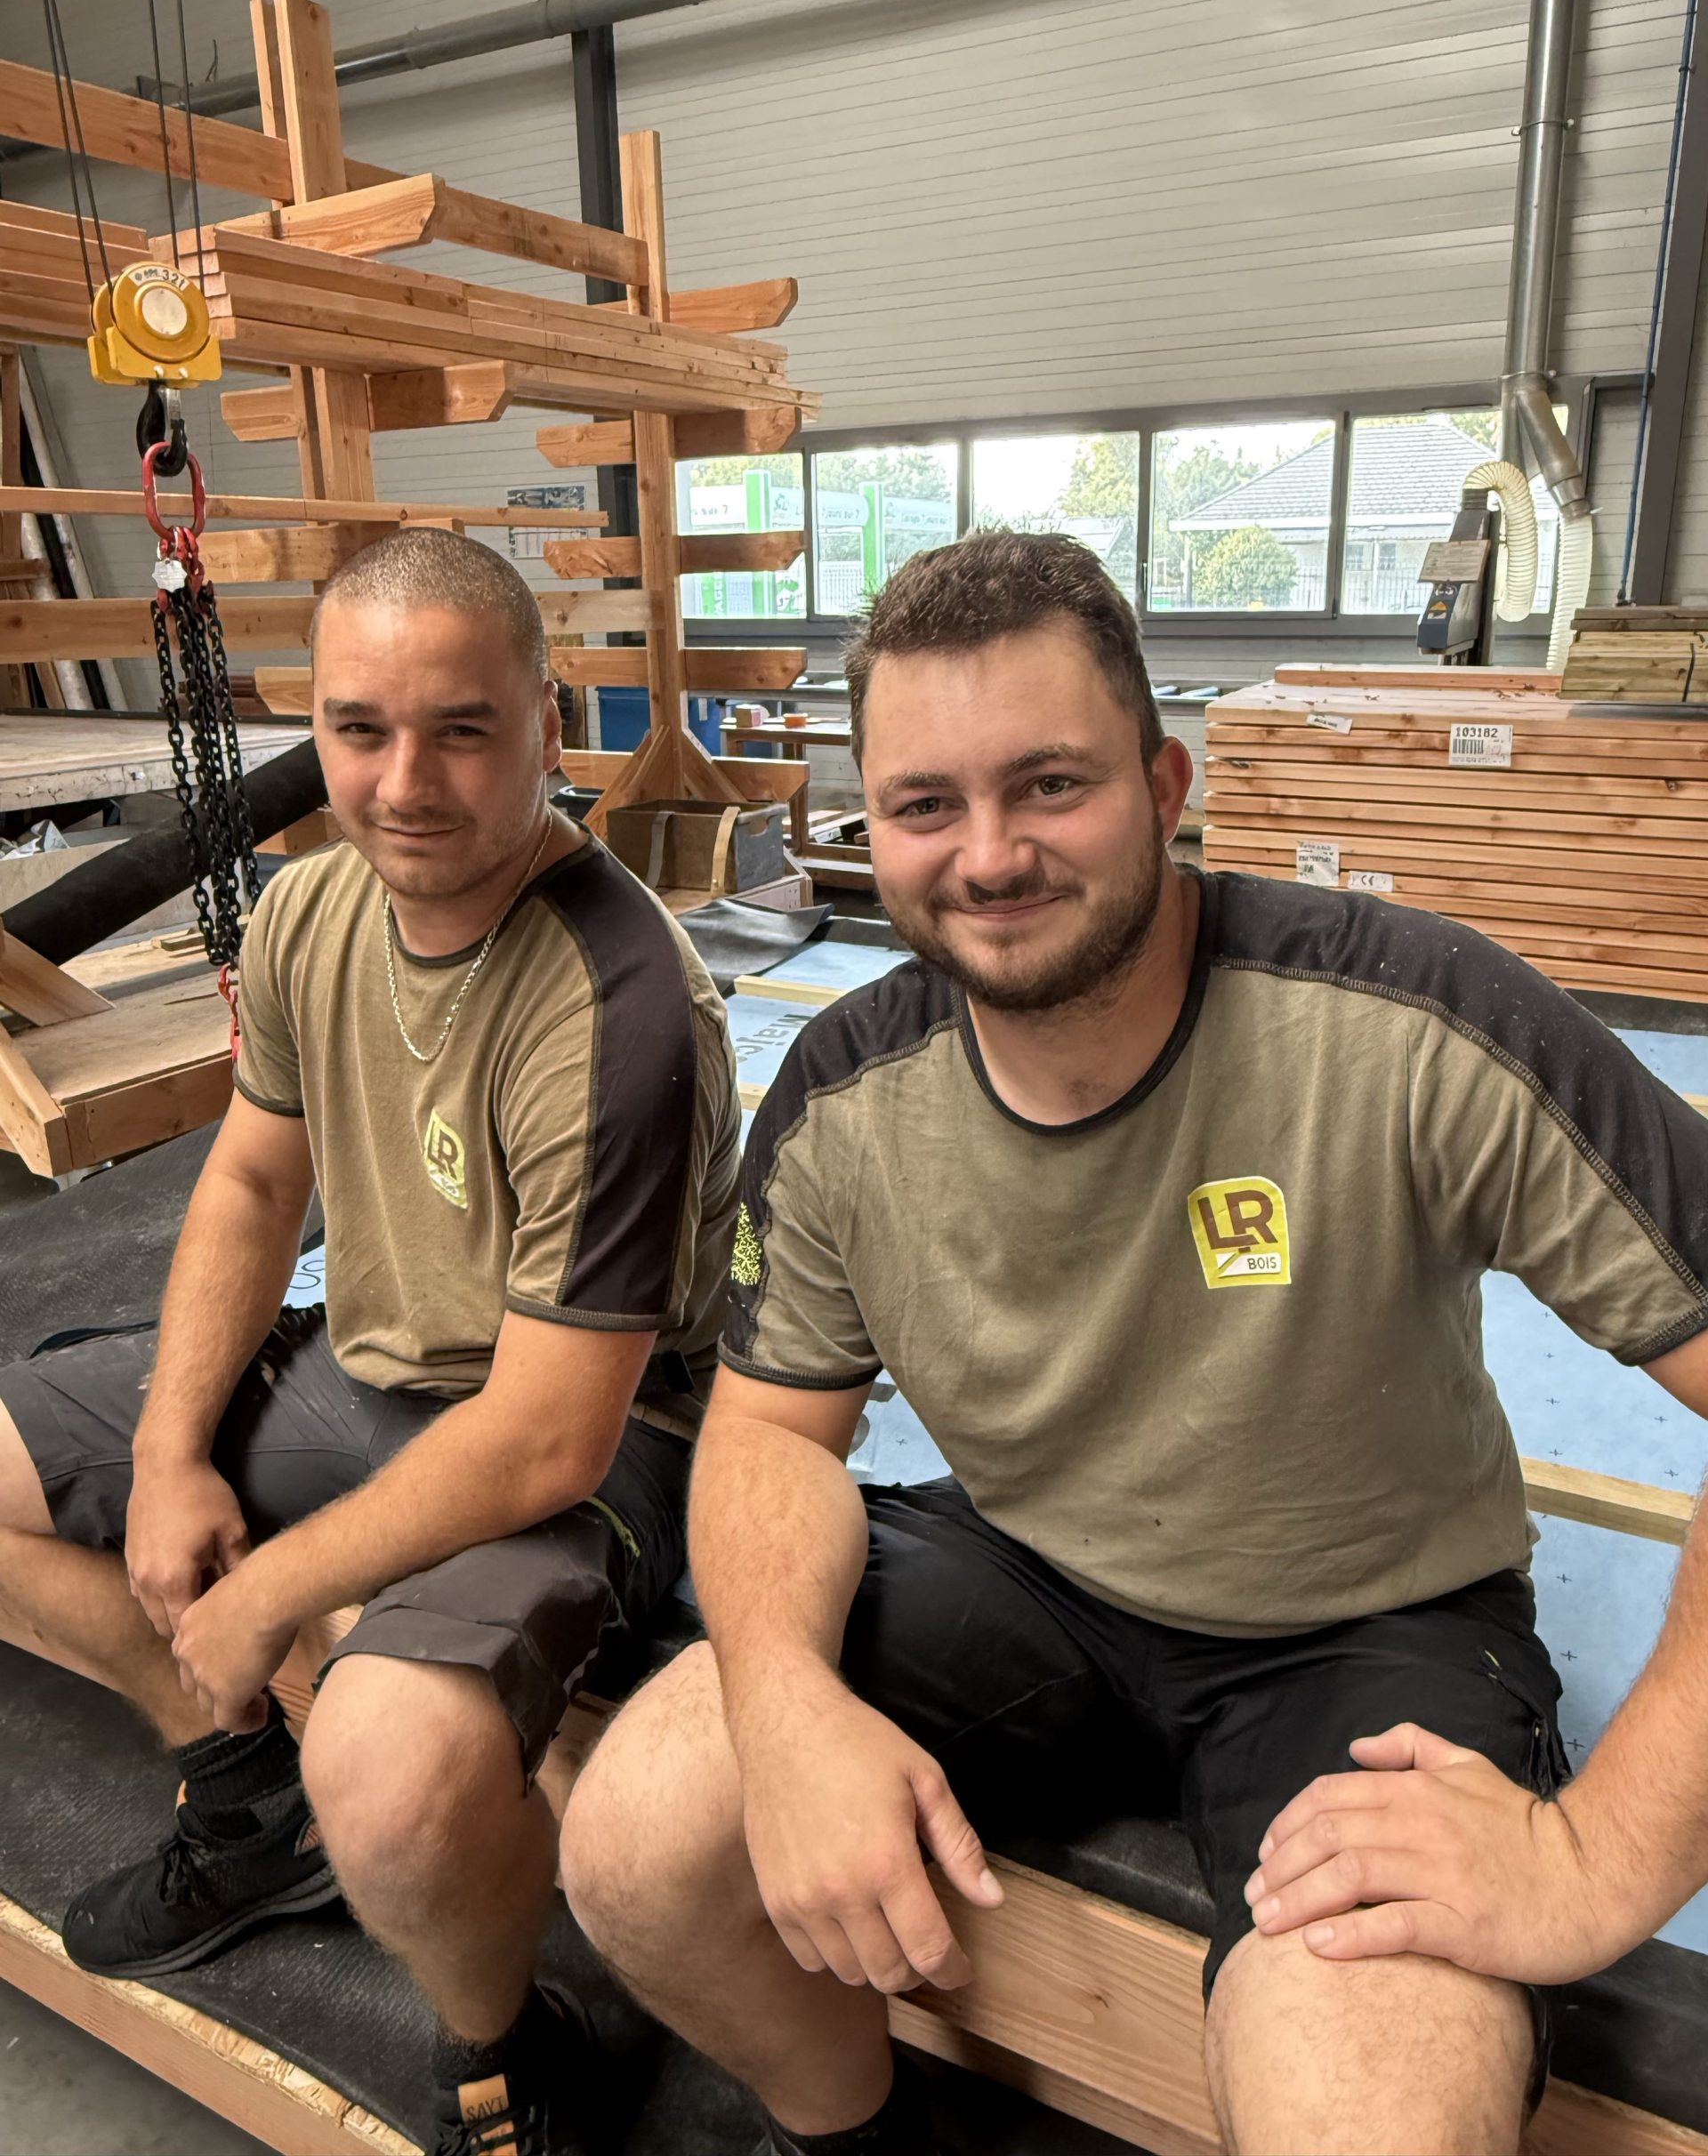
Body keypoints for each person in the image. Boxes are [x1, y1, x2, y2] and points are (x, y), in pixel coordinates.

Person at [559, 527, 1708, 2156]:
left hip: (1363, 1622)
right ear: (865, 822)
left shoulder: (1410, 1023)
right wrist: (782, 1700)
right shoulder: (845, 1093)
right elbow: (765, 1430)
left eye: (1051, 785)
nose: (989, 856)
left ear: (1168, 787)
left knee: (1374, 2120)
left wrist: (1601, 1858)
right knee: (633, 1845)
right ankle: (863, 2134)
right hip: (1029, 1567)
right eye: (925, 805)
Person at [0, 527, 741, 2156]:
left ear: (550, 724)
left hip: (600, 1433)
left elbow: (550, 1433)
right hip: (374, 1367)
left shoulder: (619, 998)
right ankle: (245, 1803)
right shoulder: (311, 911)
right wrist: (172, 1451)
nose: (405, 784)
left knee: (393, 1777)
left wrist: (266, 1589)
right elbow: (255, 1183)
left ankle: (502, 2047)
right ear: (313, 724)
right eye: (359, 730)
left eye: (463, 731)